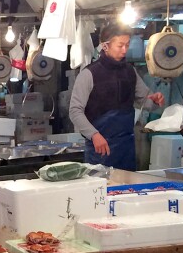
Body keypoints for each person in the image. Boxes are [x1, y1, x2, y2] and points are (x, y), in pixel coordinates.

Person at [69, 23, 165, 171]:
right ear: (105, 45)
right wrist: (94, 135)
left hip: (126, 148)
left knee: (127, 191)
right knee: (100, 190)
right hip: (100, 148)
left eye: (127, 45)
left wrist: (154, 101)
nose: (124, 50)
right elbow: (75, 111)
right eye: (120, 45)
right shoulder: (89, 74)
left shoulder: (130, 71)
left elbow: (143, 100)